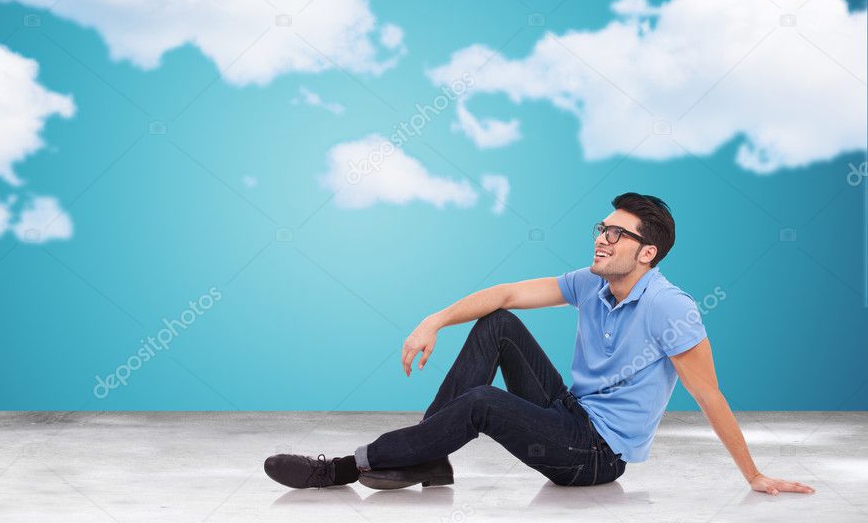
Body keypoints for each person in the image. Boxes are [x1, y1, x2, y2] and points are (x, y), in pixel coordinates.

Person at [264, 193, 816, 495]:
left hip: (596, 456)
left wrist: (754, 475)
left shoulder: (672, 308)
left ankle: (339, 469)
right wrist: (435, 318)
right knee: (496, 323)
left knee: (482, 403)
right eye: (602, 227)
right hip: (570, 414)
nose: (602, 237)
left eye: (617, 234)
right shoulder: (591, 282)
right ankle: (428, 459)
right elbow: (506, 292)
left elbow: (710, 396)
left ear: (646, 254)